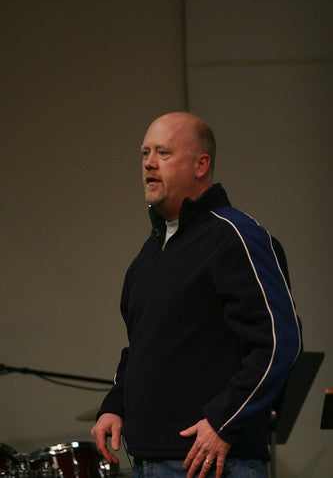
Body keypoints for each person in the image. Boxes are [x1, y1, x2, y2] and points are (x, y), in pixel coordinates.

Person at [91, 112, 301, 477]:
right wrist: (115, 405)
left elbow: (280, 341)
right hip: (148, 461)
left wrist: (224, 422)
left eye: (163, 153)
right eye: (144, 153)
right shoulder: (149, 255)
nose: (149, 164)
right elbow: (142, 345)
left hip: (213, 462)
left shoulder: (235, 236)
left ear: (201, 164)